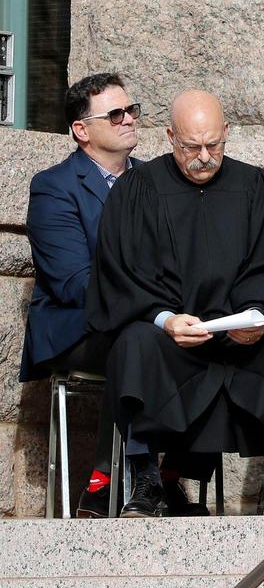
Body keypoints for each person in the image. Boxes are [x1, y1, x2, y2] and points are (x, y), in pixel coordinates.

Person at [87, 90, 264, 517]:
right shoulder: (138, 188)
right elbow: (121, 269)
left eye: (214, 144)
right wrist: (167, 319)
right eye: (192, 146)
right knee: (135, 343)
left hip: (239, 334)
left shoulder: (253, 186)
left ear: (227, 133)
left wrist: (255, 315)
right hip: (172, 336)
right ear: (171, 136)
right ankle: (146, 480)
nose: (205, 156)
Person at [20, 73, 144, 517]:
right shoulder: (55, 187)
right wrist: (150, 297)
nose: (129, 119)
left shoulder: (155, 181)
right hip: (77, 328)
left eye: (132, 110)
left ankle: (167, 476)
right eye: (115, 113)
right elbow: (72, 281)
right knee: (138, 341)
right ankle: (108, 476)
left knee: (203, 338)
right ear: (81, 130)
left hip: (147, 321)